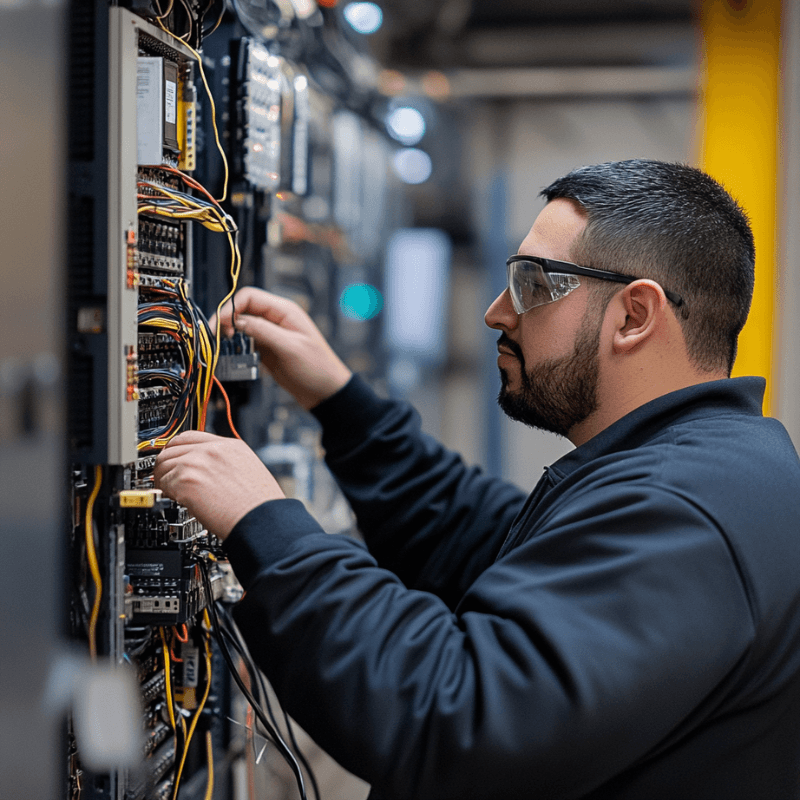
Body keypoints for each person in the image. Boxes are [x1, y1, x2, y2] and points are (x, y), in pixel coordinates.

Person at [154, 159, 800, 799]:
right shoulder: (701, 468)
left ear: (633, 316)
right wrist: (343, 405)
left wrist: (268, 527)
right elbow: (487, 543)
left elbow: (452, 718)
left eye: (532, 285)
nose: (497, 313)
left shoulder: (686, 513)